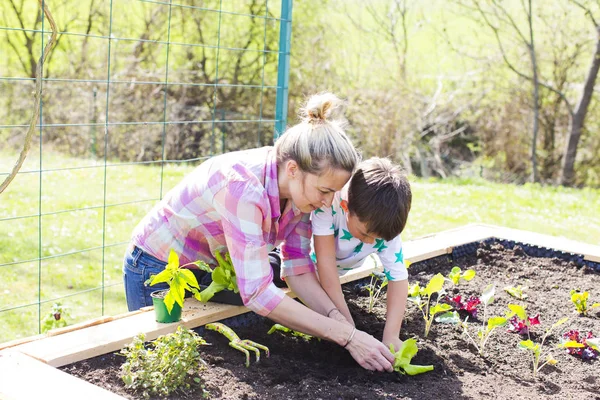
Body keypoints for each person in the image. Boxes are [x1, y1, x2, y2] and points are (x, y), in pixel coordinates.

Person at [123, 93, 396, 372]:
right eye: (325, 191)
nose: (327, 203)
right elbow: (257, 294)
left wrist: (341, 322)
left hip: (203, 270)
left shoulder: (301, 194)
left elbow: (297, 267)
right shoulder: (243, 188)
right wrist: (346, 336)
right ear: (293, 169)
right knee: (164, 367)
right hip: (156, 269)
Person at [306, 157, 412, 352]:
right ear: (346, 208)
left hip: (337, 272)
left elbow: (398, 278)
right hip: (308, 269)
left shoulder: (384, 225)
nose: (371, 242)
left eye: (378, 239)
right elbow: (326, 266)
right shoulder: (329, 204)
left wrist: (391, 336)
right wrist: (350, 330)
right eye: (365, 234)